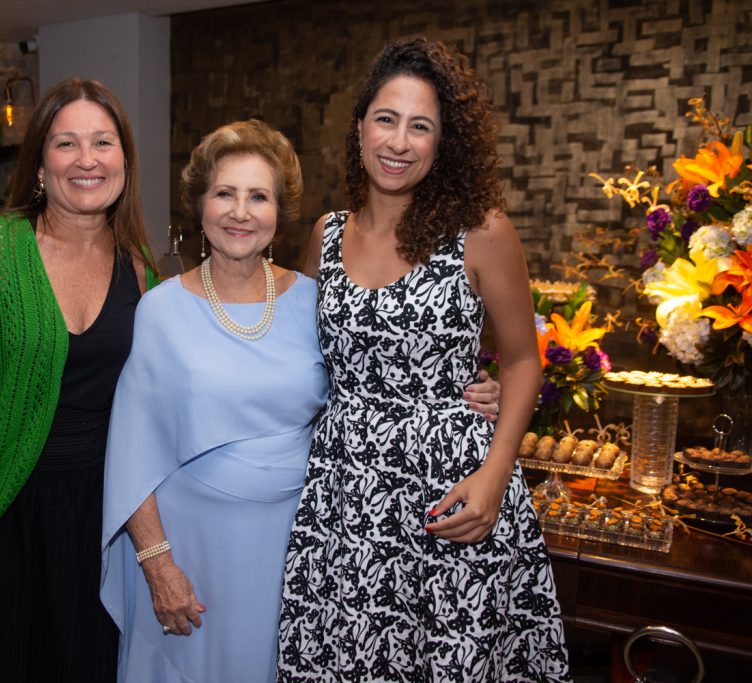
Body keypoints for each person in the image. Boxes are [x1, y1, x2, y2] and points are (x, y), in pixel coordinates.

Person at [99, 120, 501, 682]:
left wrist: (471, 393)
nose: (240, 212)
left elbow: (373, 384)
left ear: (279, 210)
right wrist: (157, 563)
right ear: (200, 205)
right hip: (191, 547)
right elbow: (130, 449)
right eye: (225, 194)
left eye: (258, 196)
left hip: (302, 546)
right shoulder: (161, 309)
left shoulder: (314, 301)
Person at [276, 37, 571, 681]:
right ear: (359, 128)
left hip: (452, 494)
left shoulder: (481, 231)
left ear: (443, 144)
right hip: (345, 497)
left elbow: (522, 360)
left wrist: (494, 479)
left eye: (421, 127)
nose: (399, 141)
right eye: (386, 119)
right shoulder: (325, 236)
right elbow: (301, 365)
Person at [0, 78, 158, 682]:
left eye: (103, 142)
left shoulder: (139, 267)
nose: (87, 159)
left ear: (124, 159)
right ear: (41, 163)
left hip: (95, 519)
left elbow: (146, 401)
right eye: (66, 143)